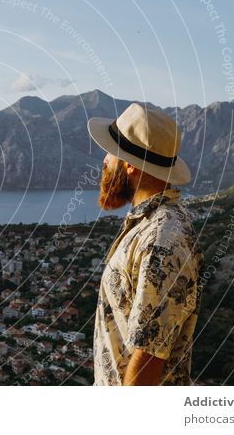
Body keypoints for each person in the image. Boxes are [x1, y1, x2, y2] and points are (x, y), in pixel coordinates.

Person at [86, 102, 204, 385]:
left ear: (129, 165)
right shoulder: (150, 225)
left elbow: (149, 354)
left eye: (111, 153)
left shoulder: (162, 240)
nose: (104, 160)